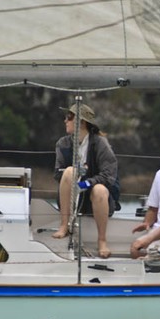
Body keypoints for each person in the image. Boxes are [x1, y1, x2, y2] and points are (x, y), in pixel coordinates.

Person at [52, 103, 119, 258]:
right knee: (68, 171)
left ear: (81, 122)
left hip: (95, 197)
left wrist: (86, 183)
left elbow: (109, 175)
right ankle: (64, 225)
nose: (65, 121)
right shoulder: (63, 143)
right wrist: (74, 175)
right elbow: (57, 173)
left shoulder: (100, 144)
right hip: (71, 196)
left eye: (69, 117)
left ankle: (102, 240)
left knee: (100, 189)